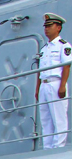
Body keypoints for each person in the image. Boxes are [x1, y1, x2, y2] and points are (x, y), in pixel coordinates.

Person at [38, 14, 72, 149]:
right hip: (44, 84)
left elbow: (66, 65)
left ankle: (58, 147)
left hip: (56, 83)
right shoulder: (44, 49)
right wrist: (37, 89)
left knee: (58, 118)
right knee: (46, 119)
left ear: (58, 28)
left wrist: (63, 85)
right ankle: (47, 147)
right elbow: (40, 71)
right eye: (45, 26)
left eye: (49, 26)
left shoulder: (63, 46)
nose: (46, 29)